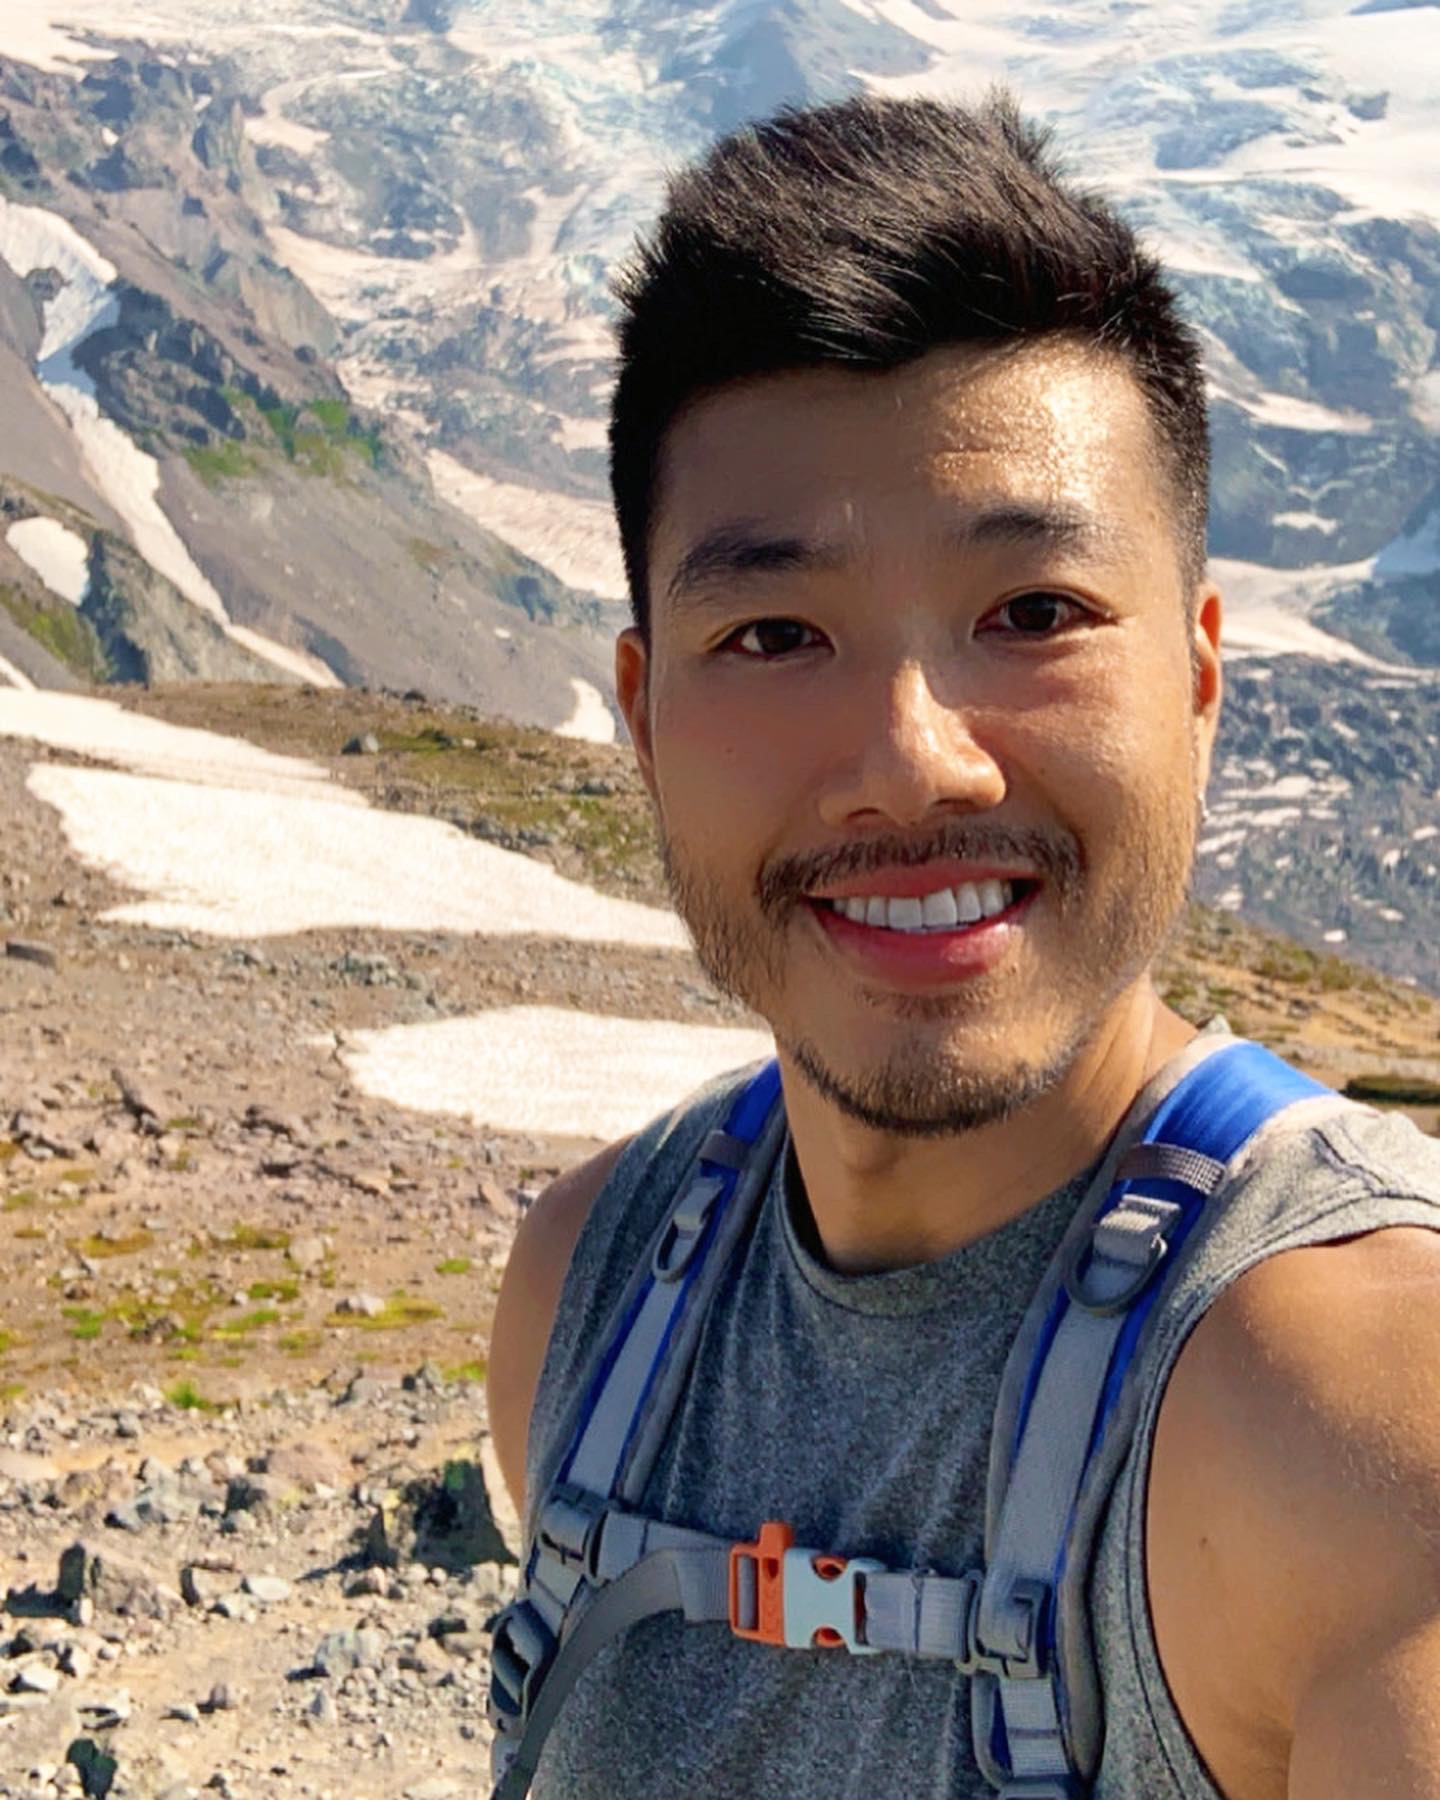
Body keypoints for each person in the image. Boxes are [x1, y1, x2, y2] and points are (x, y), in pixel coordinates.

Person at [486, 91, 1440, 1799]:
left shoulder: (1367, 1422)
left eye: (1035, 616)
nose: (916, 757)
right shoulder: (582, 1292)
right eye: (775, 634)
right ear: (641, 716)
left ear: (1203, 677)